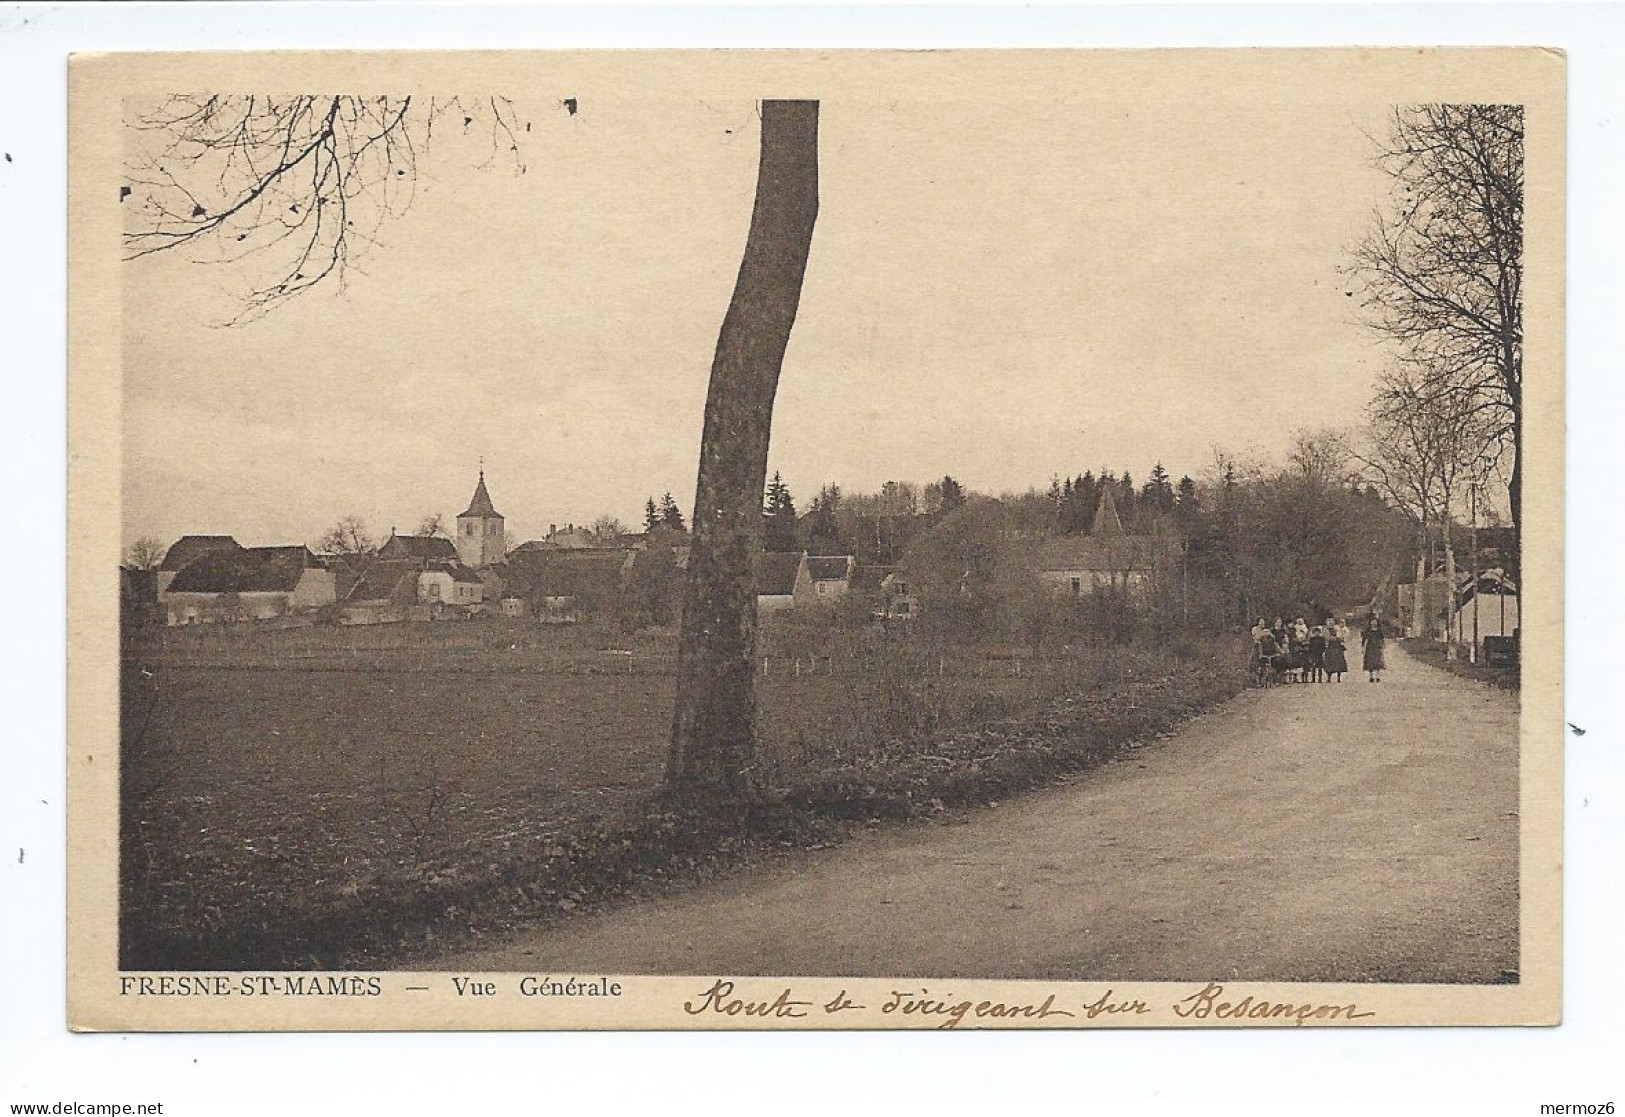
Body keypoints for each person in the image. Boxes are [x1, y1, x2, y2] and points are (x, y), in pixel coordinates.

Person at [1361, 613, 1386, 682]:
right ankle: (1371, 677)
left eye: (1375, 622)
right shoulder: (1368, 630)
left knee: (1377, 662)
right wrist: (1363, 647)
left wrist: (1383, 646)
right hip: (1370, 647)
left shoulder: (1379, 630)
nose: (1374, 623)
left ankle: (1377, 677)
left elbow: (1382, 639)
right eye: (1372, 621)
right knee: (1370, 662)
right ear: (1370, 622)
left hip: (1377, 647)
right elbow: (1364, 639)